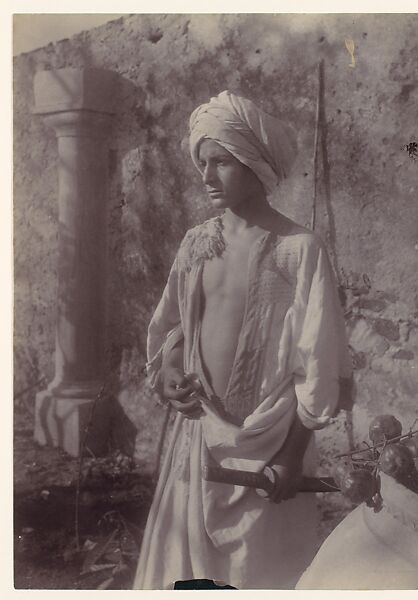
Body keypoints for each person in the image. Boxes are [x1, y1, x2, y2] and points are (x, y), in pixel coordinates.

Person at [133, 90, 350, 590]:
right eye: (202, 162)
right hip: (200, 437)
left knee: (259, 569)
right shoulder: (197, 242)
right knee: (186, 567)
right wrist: (168, 368)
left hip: (271, 442)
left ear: (256, 163)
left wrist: (292, 456)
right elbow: (177, 324)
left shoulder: (300, 251)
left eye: (222, 163)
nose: (206, 177)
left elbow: (316, 361)